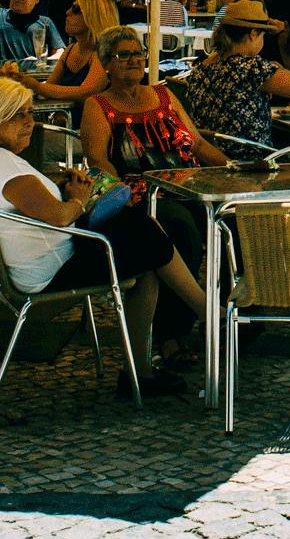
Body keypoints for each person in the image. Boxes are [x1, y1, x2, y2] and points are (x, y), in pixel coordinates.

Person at [0, 77, 207, 398]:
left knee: (144, 245)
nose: (29, 124)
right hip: (52, 270)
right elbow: (60, 216)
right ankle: (208, 316)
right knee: (147, 231)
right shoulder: (5, 167)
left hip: (35, 261)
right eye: (18, 116)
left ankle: (141, 370)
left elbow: (23, 194)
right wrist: (77, 197)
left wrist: (57, 181)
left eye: (30, 113)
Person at [82, 26, 228, 371]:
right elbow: (98, 160)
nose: (134, 60)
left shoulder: (163, 95)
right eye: (124, 55)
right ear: (106, 64)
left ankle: (237, 314)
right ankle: (172, 334)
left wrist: (233, 167)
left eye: (138, 54)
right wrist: (122, 195)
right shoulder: (98, 105)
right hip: (144, 192)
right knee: (181, 228)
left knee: (232, 220)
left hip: (192, 183)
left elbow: (196, 143)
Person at [182, 0, 290, 155]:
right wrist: (277, 70)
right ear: (253, 34)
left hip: (210, 158)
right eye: (262, 35)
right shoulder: (251, 68)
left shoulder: (203, 67)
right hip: (251, 162)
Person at [3, 0, 119, 126]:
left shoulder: (103, 52)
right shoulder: (70, 50)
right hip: (69, 125)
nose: (67, 12)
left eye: (76, 10)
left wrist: (37, 86)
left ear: (94, 16)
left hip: (95, 129)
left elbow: (86, 92)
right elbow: (50, 88)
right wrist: (19, 82)